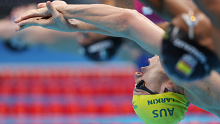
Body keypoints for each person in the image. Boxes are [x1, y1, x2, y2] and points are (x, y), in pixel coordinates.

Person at [14, 1, 220, 122]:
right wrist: (65, 10)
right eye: (141, 86)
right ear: (166, 91)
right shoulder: (189, 75)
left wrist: (76, 25)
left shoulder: (194, 79)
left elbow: (133, 31)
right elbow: (128, 22)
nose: (136, 75)